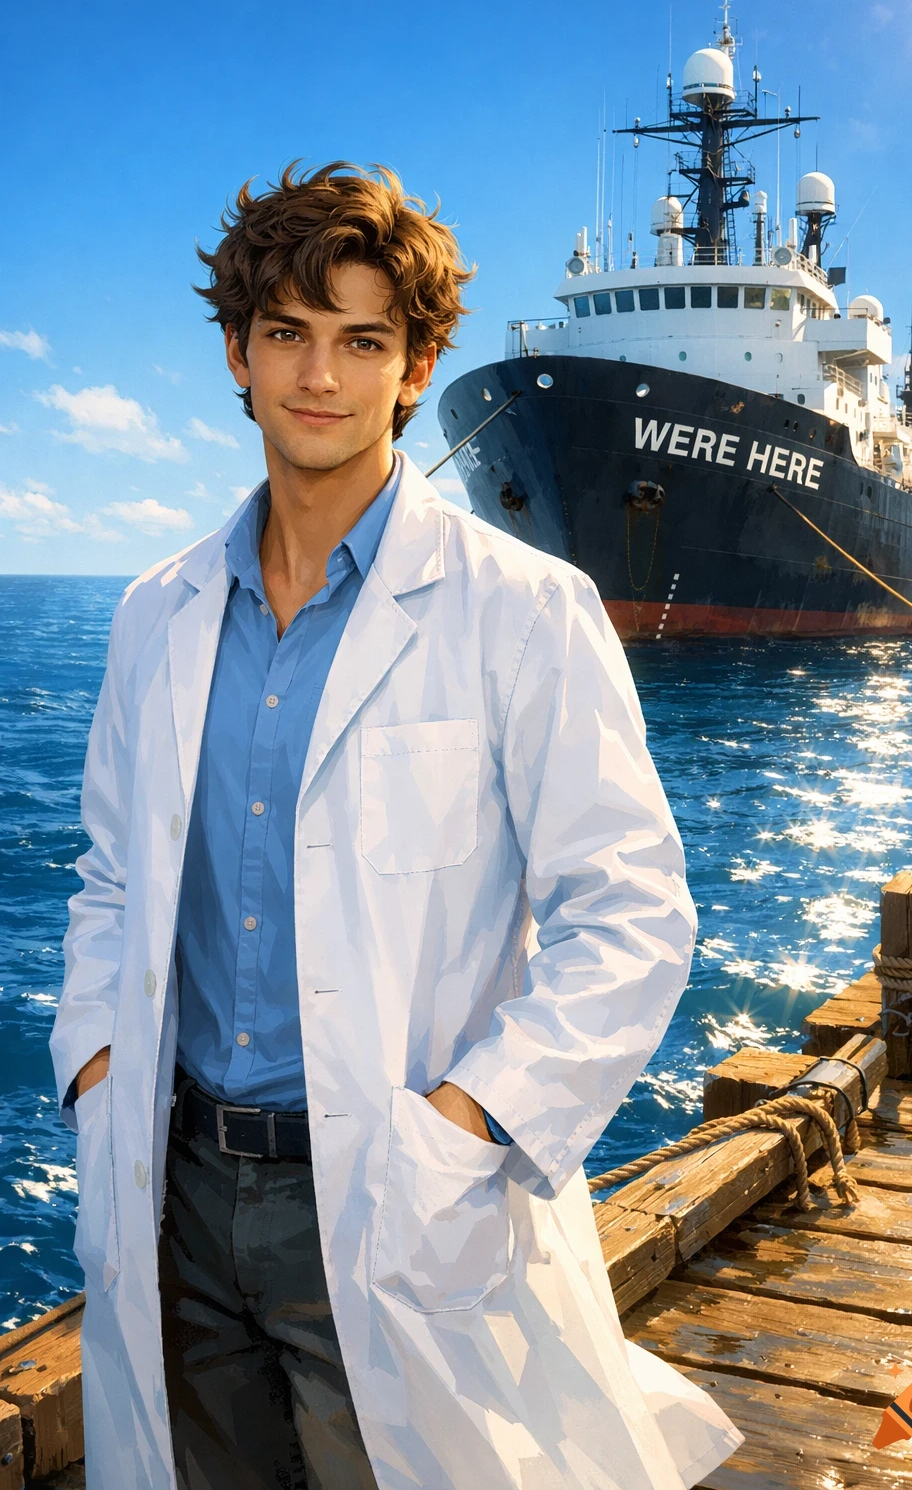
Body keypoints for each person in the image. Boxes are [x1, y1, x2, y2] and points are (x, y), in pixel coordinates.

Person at [51, 162, 743, 1490]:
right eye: (289, 336)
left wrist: (468, 1124)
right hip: (174, 1184)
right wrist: (94, 1072)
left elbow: (634, 916)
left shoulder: (522, 609)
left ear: (417, 365)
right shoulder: (157, 613)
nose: (323, 375)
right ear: (240, 355)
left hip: (386, 1201)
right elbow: (111, 881)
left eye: (363, 339)